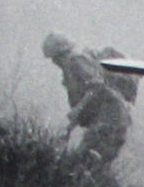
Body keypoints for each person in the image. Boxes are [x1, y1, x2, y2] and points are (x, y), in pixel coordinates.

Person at [41, 32, 132, 167]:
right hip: (109, 120)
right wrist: (69, 127)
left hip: (110, 120)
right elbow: (89, 102)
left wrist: (77, 110)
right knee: (90, 164)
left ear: (60, 55)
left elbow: (97, 86)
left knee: (85, 163)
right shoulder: (72, 66)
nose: (54, 63)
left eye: (54, 58)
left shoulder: (75, 61)